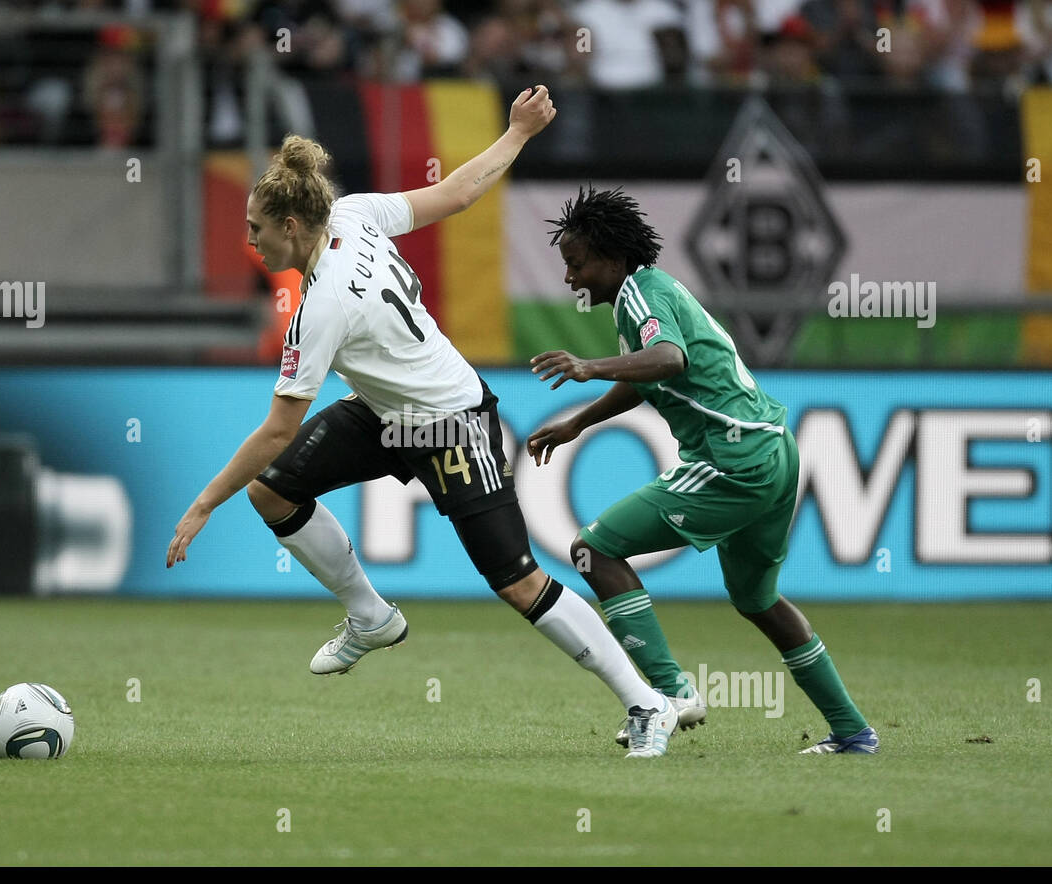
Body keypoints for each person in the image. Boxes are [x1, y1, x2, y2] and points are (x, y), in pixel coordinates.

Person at [166, 90, 678, 758]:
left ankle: (647, 704)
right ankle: (371, 615)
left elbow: (276, 429)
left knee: (520, 582)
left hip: (450, 424)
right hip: (388, 414)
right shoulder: (352, 213)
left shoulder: (319, 309)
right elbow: (458, 194)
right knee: (274, 489)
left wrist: (203, 505)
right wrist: (518, 133)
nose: (250, 239)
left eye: (257, 227)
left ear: (292, 224)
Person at [526, 185, 878, 754]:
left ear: (612, 258)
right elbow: (652, 375)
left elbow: (670, 359)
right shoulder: (650, 293)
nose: (570, 277)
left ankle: (670, 691)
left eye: (576, 262)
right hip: (775, 453)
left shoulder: (640, 293)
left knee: (594, 550)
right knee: (758, 601)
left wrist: (588, 365)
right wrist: (579, 424)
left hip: (731, 459)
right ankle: (853, 731)